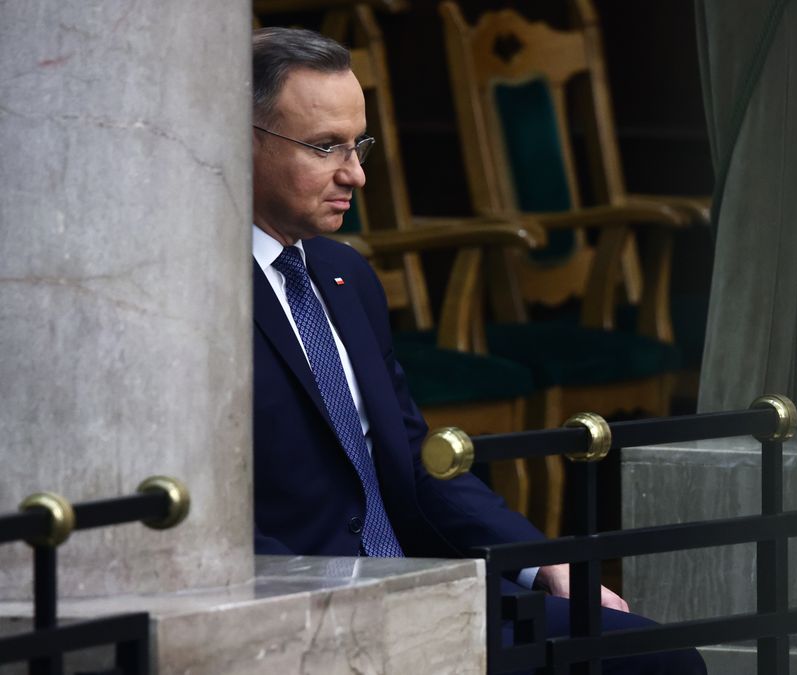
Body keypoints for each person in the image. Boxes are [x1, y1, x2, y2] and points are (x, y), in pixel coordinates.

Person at [249, 26, 705, 674]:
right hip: (309, 622)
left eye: (360, 144)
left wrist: (544, 560)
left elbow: (414, 457)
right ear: (247, 142)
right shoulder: (201, 306)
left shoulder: (345, 279)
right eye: (326, 147)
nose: (357, 173)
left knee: (656, 654)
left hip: (422, 593)